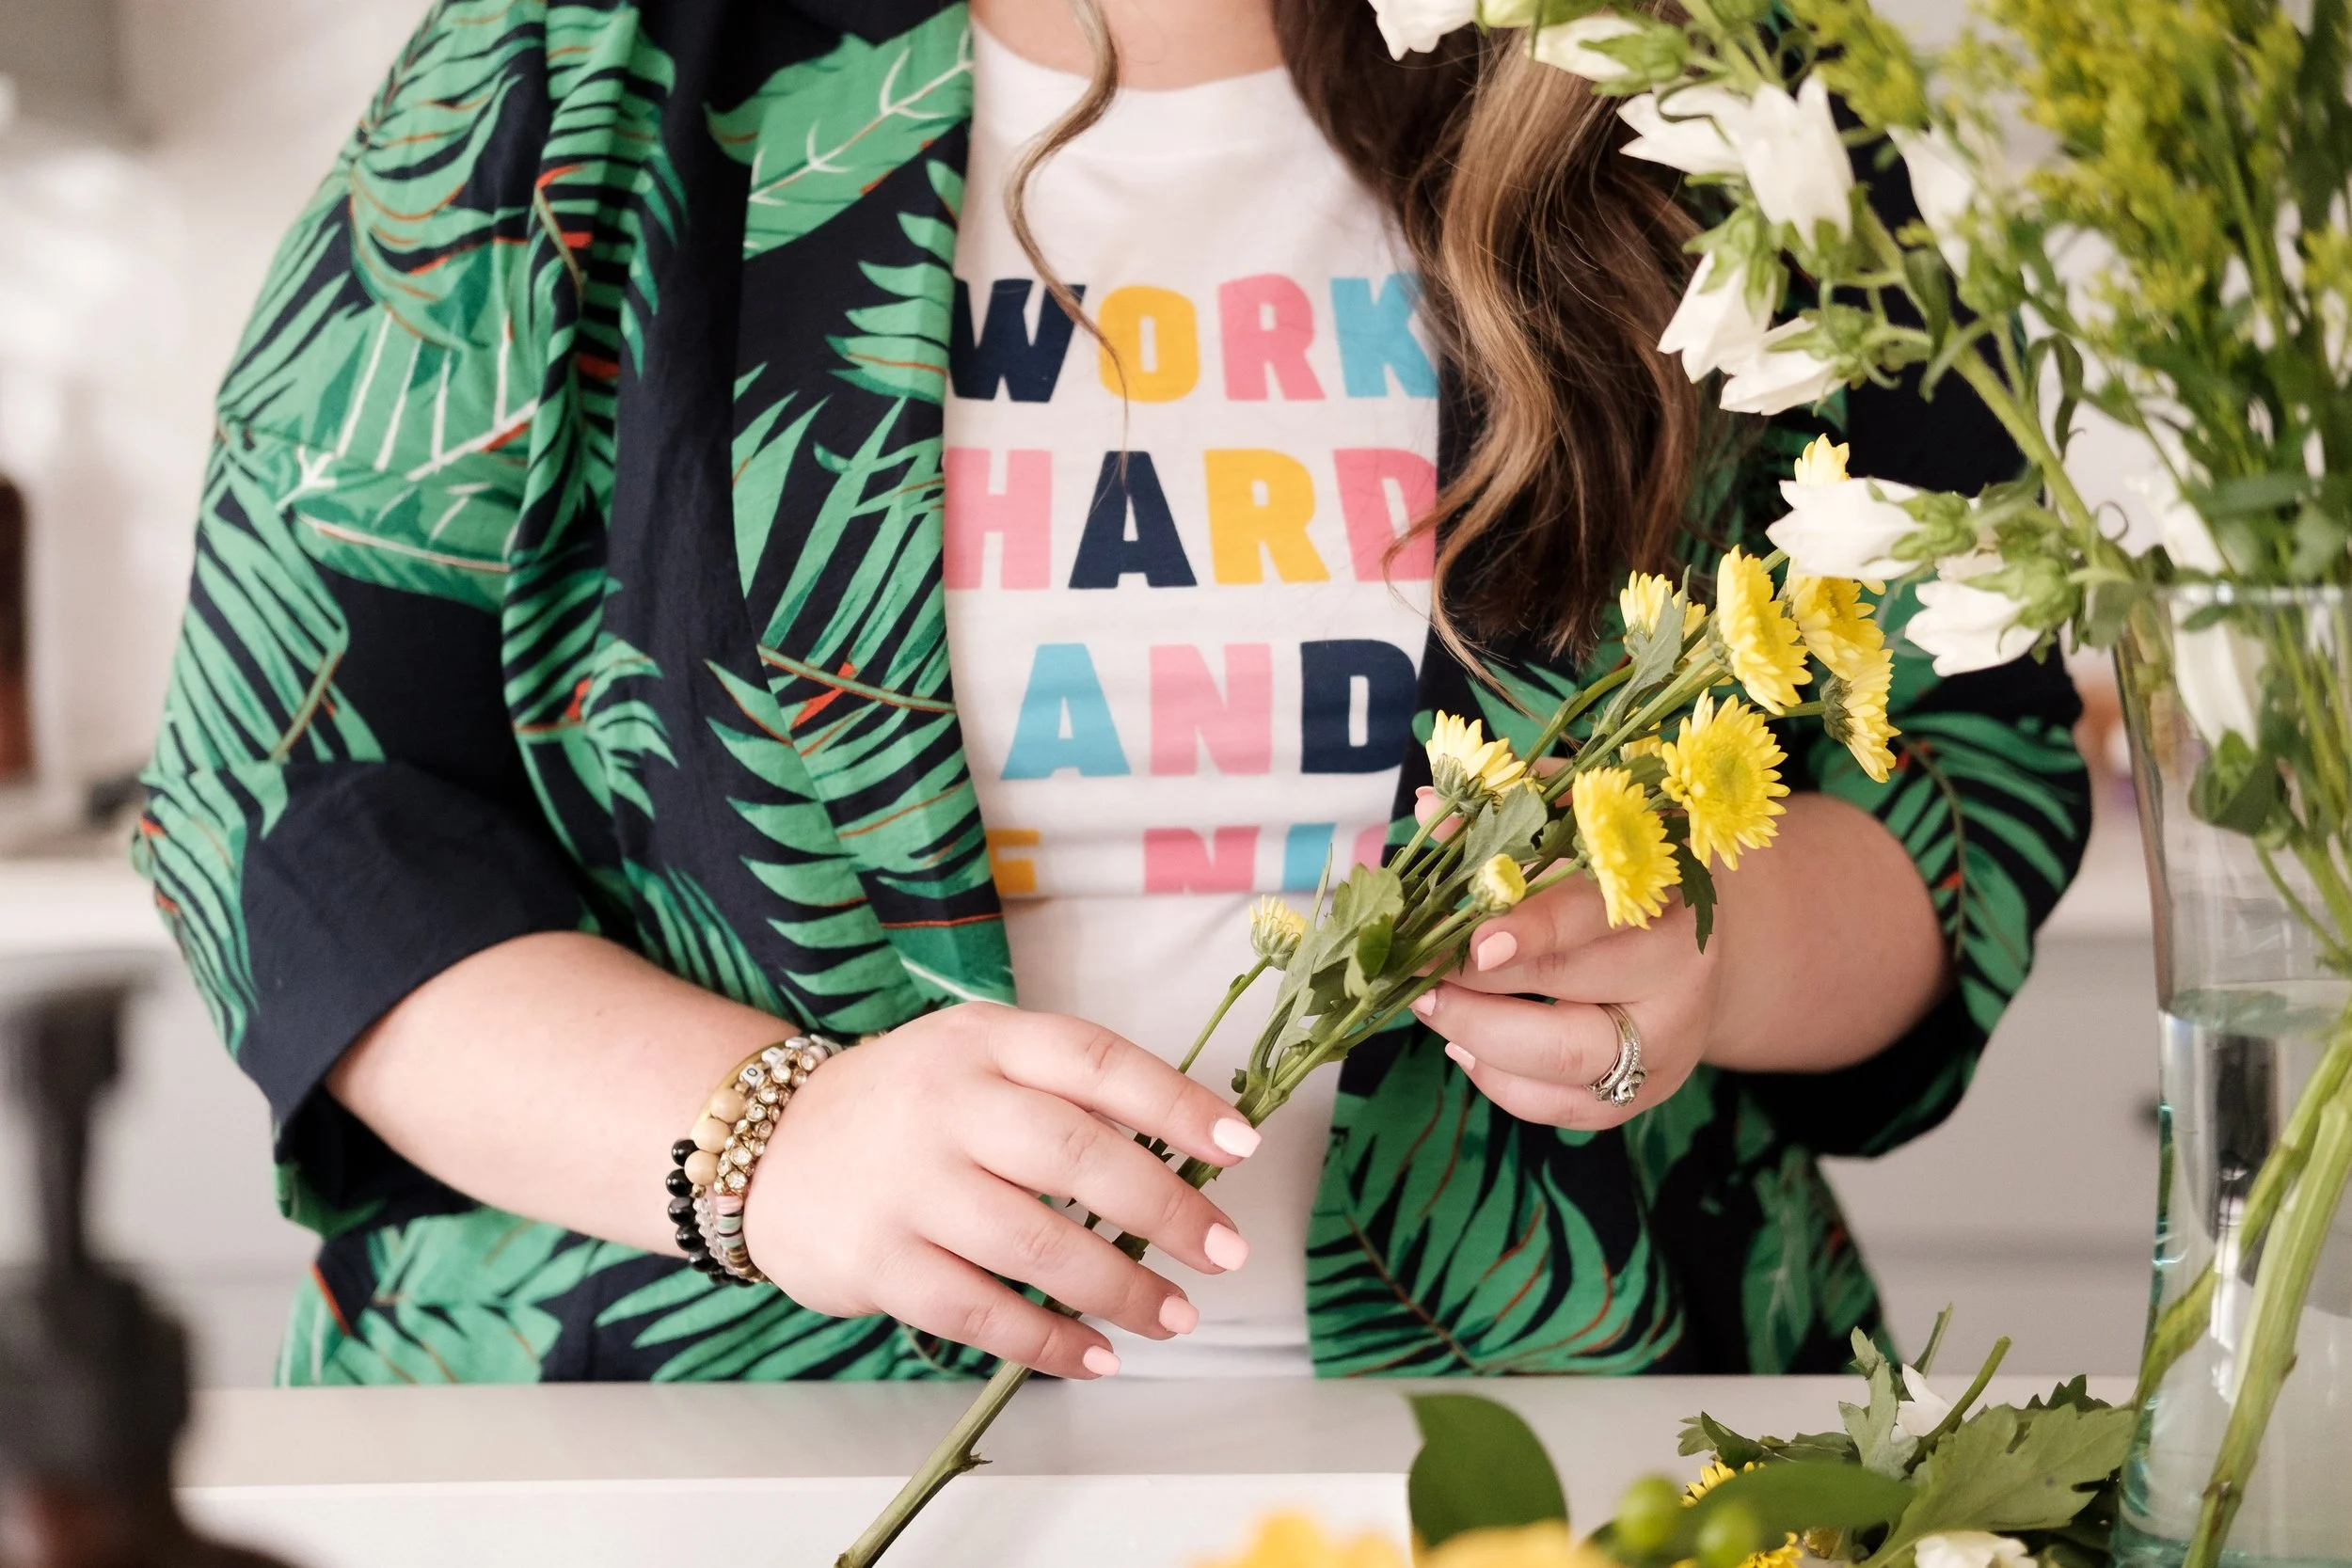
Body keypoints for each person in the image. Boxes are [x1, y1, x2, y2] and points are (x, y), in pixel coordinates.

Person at [135, 0, 2088, 1386]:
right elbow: (285, 807)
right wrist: (768, 1139)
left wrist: (1718, 950)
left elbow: (1969, 761)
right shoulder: (579, 68)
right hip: (706, 1457)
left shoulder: (1706, 80)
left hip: (1556, 1446)